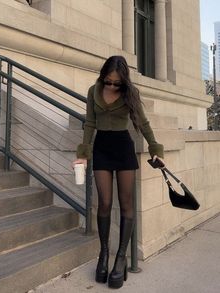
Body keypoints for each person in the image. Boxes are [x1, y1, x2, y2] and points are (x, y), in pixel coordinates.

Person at [73, 56, 165, 289]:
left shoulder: (130, 93)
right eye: (108, 82)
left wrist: (155, 148)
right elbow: (90, 123)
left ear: (123, 81)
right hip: (102, 147)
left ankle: (121, 258)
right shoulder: (93, 91)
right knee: (104, 202)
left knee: (126, 204)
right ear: (103, 76)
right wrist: (83, 153)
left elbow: (142, 123)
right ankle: (104, 254)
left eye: (116, 83)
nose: (112, 86)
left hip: (123, 148)